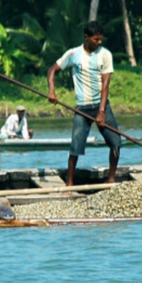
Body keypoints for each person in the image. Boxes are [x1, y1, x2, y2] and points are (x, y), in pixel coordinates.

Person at [47, 20, 121, 186]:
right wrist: (52, 91)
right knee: (76, 147)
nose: (99, 42)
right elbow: (52, 70)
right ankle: (70, 183)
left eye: (101, 39)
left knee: (116, 143)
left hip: (101, 106)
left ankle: (111, 181)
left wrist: (101, 112)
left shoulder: (105, 55)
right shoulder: (73, 54)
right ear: (86, 37)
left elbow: (106, 85)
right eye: (96, 39)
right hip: (82, 109)